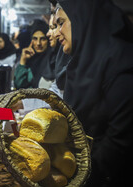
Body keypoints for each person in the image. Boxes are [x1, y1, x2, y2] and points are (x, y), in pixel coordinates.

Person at [54, 1, 133, 186]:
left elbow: (120, 138)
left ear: (81, 19)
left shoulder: (120, 60)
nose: (57, 32)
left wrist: (83, 177)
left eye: (61, 23)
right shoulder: (80, 62)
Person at [14, 20, 52, 89]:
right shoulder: (29, 59)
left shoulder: (52, 60)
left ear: (48, 40)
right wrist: (23, 61)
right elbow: (19, 84)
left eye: (43, 39)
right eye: (35, 39)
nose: (38, 43)